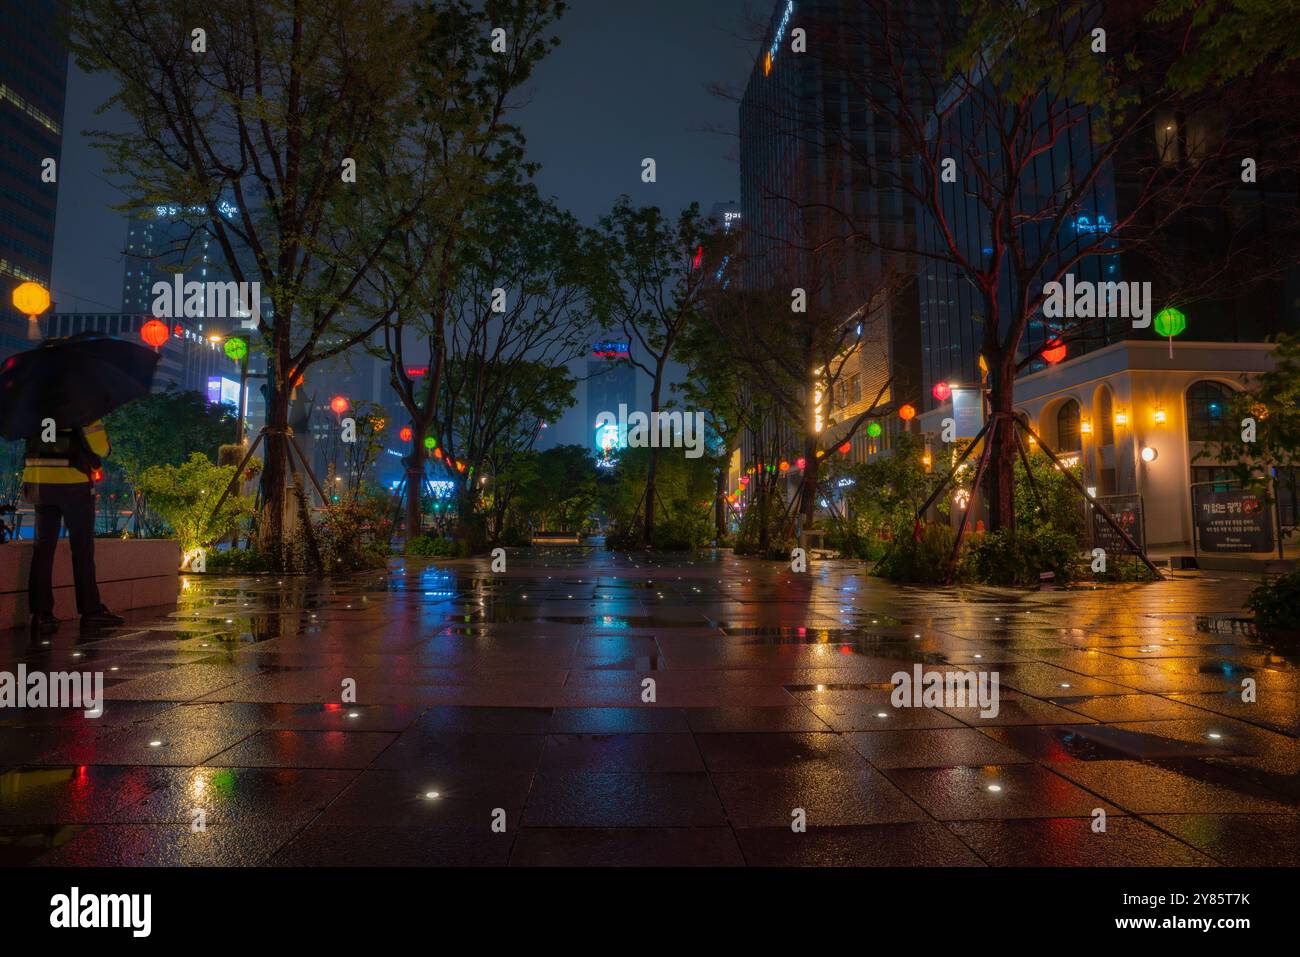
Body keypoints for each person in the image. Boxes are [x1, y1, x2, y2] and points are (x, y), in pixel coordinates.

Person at [23, 418, 125, 632]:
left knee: (42, 549)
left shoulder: (33, 406)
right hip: (73, 484)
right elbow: (101, 447)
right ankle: (90, 611)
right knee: (82, 549)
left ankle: (41, 614)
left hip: (39, 482)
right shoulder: (80, 407)